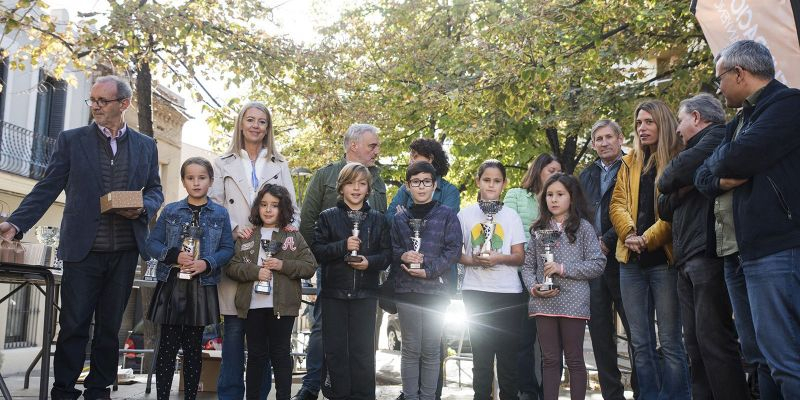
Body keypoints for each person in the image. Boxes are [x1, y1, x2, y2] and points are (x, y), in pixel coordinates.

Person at [0, 75, 163, 400]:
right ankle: (63, 391)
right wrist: (16, 224)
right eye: (93, 100)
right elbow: (48, 187)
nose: (95, 107)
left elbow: (155, 189)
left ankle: (98, 391)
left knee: (109, 329)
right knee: (74, 326)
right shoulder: (72, 140)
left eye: (103, 101)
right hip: (82, 251)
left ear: (124, 104)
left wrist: (142, 207)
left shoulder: (146, 145)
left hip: (125, 251)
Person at [697, 39, 800, 398]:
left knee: (785, 360)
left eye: (719, 79)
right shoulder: (741, 120)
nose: (718, 88)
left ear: (739, 73)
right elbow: (704, 176)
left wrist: (725, 165)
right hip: (744, 251)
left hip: (776, 248)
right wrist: (724, 169)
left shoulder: (787, 105)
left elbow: (734, 159)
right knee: (761, 359)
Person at [656, 93, 750, 400]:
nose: (678, 129)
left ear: (696, 117)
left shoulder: (716, 137)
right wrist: (689, 183)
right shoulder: (694, 149)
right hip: (686, 257)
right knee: (694, 346)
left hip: (707, 254)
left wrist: (681, 182)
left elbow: (667, 178)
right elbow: (663, 205)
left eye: (681, 120)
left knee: (714, 341)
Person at [209, 101, 299, 400]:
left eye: (262, 121)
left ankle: (259, 395)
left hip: (269, 254)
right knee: (234, 329)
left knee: (265, 336)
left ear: (268, 128)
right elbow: (216, 206)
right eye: (250, 120)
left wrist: (287, 240)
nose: (256, 126)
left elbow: (292, 209)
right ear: (241, 123)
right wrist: (235, 229)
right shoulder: (222, 162)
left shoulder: (279, 163)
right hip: (237, 251)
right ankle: (230, 395)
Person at [293, 123, 387, 400]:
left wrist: (370, 260)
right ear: (353, 145)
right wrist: (327, 257)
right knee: (324, 331)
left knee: (361, 341)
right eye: (372, 145)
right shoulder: (325, 175)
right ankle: (313, 385)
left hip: (367, 276)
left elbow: (383, 224)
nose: (377, 151)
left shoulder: (377, 180)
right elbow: (308, 222)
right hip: (332, 273)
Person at [609, 100, 690, 399]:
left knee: (670, 342)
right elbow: (616, 203)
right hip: (630, 263)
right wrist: (630, 234)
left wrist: (647, 238)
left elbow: (674, 211)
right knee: (640, 343)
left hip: (664, 263)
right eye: (639, 123)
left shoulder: (679, 159)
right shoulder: (629, 161)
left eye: (649, 122)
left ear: (663, 123)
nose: (642, 128)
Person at [145, 157, 235, 400]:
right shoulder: (171, 210)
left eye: (202, 178)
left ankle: (190, 397)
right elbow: (152, 243)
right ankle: (162, 395)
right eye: (190, 178)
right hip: (172, 284)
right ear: (183, 181)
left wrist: (207, 263)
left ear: (210, 181)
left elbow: (228, 248)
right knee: (167, 345)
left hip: (201, 285)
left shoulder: (220, 214)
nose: (196, 183)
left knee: (194, 347)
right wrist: (173, 256)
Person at [225, 184, 316, 400]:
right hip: (252, 307)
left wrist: (281, 265)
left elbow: (309, 266)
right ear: (257, 208)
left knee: (280, 354)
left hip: (282, 308)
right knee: (256, 356)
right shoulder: (247, 235)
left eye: (274, 205)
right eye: (264, 205)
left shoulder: (292, 237)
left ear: (282, 209)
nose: (268, 210)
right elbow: (231, 267)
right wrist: (255, 272)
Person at [311, 162, 391, 400]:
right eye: (350, 183)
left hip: (365, 295)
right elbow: (318, 251)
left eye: (362, 183)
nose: (356, 188)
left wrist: (369, 262)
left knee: (363, 352)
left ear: (369, 189)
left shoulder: (378, 219)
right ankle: (337, 395)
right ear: (341, 187)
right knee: (335, 352)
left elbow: (387, 255)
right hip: (334, 294)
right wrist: (342, 246)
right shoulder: (327, 217)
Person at [522, 173, 605, 400]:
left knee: (575, 359)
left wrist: (562, 268)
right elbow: (528, 267)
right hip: (543, 302)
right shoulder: (538, 229)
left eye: (560, 194)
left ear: (572, 197)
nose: (554, 199)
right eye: (549, 195)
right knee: (549, 360)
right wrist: (534, 288)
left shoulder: (584, 228)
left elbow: (598, 264)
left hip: (574, 302)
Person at [390, 161, 462, 400]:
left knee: (431, 349)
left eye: (426, 181)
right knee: (410, 348)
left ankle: (429, 396)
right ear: (408, 186)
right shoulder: (400, 218)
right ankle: (410, 396)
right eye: (416, 182)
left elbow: (453, 251)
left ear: (434, 184)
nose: (421, 187)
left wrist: (429, 270)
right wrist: (403, 255)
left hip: (435, 291)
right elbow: (391, 248)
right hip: (406, 289)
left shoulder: (447, 215)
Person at [458, 160, 527, 400]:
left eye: (497, 181)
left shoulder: (512, 216)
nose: (491, 185)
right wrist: (475, 260)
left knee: (508, 356)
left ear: (504, 185)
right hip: (475, 291)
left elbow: (519, 257)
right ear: (478, 181)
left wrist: (499, 258)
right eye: (486, 180)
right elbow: (457, 254)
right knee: (481, 356)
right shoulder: (464, 215)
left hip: (508, 293)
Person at [578, 120, 637, 400]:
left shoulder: (634, 166)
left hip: (626, 258)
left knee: (636, 329)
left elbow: (635, 208)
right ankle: (613, 395)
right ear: (592, 144)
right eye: (598, 139)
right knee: (601, 334)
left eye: (608, 137)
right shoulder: (586, 175)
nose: (603, 143)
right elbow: (578, 216)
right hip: (595, 263)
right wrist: (592, 245)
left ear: (620, 138)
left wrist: (609, 240)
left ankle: (643, 388)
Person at [503, 153, 560, 400]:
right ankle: (527, 391)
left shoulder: (558, 201)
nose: (556, 176)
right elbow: (507, 230)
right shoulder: (516, 195)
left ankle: (550, 392)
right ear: (538, 171)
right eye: (551, 171)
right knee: (523, 339)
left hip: (552, 276)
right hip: (519, 276)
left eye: (559, 172)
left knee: (553, 343)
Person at [386, 138, 460, 223]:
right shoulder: (405, 188)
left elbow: (445, 223)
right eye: (410, 157)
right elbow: (389, 217)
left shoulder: (450, 191)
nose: (411, 161)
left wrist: (405, 219)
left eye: (415, 156)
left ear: (430, 158)